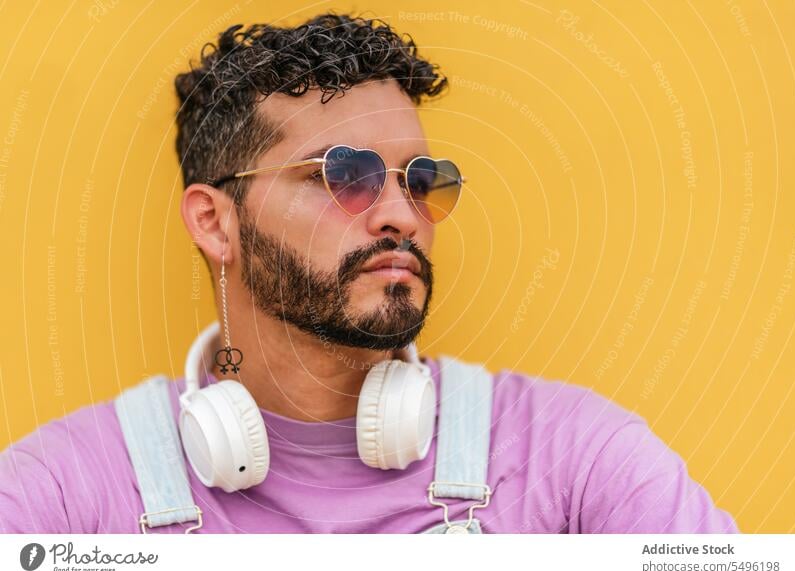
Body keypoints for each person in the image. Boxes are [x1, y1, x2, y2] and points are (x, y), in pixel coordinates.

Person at [0, 11, 738, 534]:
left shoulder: (577, 461)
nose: (401, 215)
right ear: (213, 221)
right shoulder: (65, 493)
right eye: (343, 174)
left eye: (421, 178)